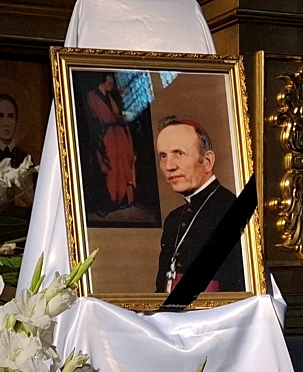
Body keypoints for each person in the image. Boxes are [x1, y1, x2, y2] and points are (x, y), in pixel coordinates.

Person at [153, 116, 245, 294]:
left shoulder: (232, 211)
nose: (169, 166)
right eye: (163, 156)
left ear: (207, 161)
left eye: (179, 153)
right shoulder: (173, 220)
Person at [84, 74, 136, 215]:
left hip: (118, 136)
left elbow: (115, 116)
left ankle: (121, 199)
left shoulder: (111, 98)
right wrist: (120, 118)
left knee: (122, 165)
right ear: (102, 83)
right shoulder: (93, 96)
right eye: (109, 83)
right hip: (106, 136)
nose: (111, 86)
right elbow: (105, 116)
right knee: (109, 168)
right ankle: (111, 200)